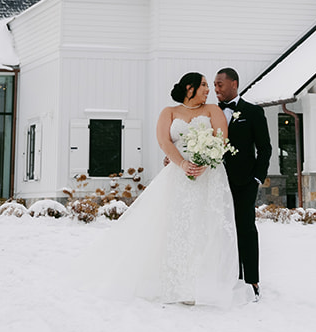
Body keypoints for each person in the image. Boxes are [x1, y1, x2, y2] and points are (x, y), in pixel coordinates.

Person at [86, 72, 241, 306]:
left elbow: (221, 139)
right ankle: (176, 283)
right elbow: (164, 141)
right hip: (178, 175)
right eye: (204, 85)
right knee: (177, 226)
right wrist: (182, 163)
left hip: (209, 175)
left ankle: (204, 284)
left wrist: (204, 160)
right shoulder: (169, 112)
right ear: (189, 88)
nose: (208, 90)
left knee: (206, 225)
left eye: (209, 86)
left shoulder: (212, 110)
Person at [213, 67, 272, 299]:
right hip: (215, 181)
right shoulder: (209, 112)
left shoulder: (253, 112)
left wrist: (257, 178)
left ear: (234, 84)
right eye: (214, 84)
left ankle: (251, 279)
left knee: (245, 228)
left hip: (244, 182)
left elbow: (265, 148)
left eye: (220, 84)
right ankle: (227, 275)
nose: (216, 88)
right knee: (219, 229)